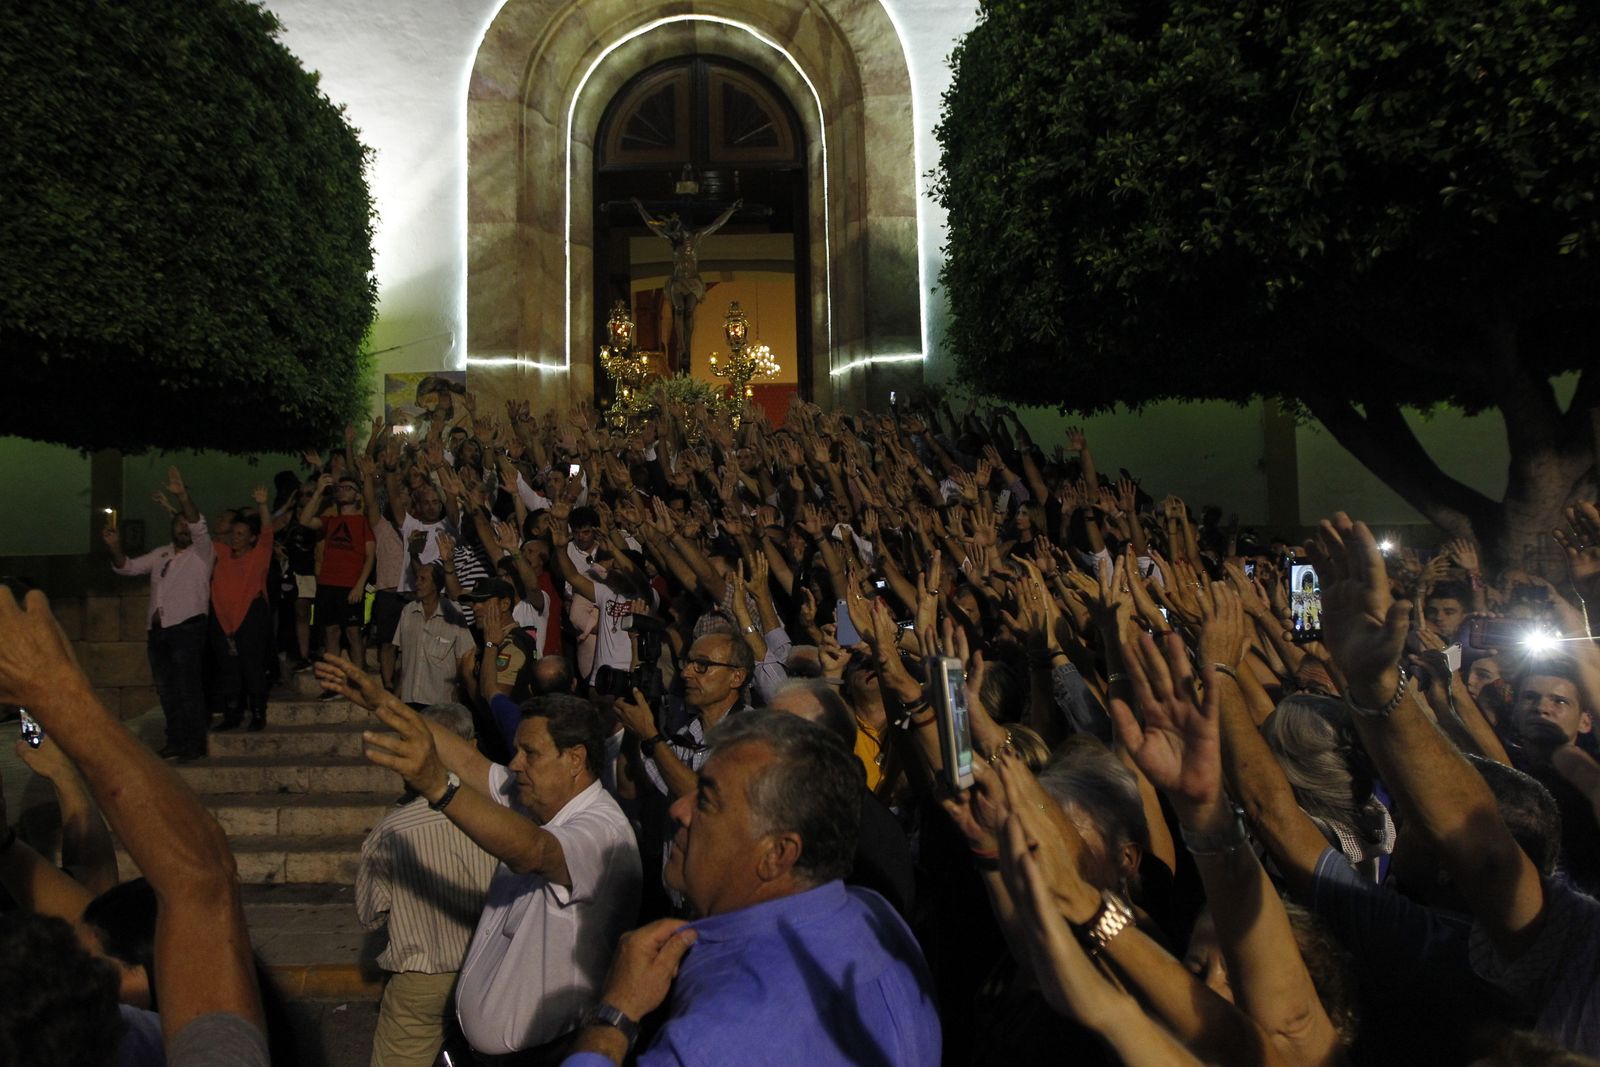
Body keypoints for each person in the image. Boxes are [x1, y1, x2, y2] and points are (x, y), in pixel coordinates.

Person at [561, 710, 940, 1066]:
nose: (679, 809)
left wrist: (614, 1015)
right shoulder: (871, 911)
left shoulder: (719, 1037)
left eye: (706, 800)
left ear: (777, 853)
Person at [320, 654, 642, 1066]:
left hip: (545, 1055)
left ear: (575, 758)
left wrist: (439, 788)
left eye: (530, 753)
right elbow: (470, 762)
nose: (515, 764)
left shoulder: (602, 831)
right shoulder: (535, 796)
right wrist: (383, 702)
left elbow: (535, 851)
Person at [0, 583, 269, 1064]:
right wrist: (57, 699)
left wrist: (56, 699)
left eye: (94, 967)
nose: (89, 971)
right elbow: (198, 886)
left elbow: (180, 888)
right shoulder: (147, 1039)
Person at [357, 702, 499, 1067]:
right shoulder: (506, 819)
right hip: (492, 971)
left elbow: (370, 914)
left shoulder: (392, 830)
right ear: (473, 745)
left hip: (424, 979)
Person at [104, 466, 213, 761]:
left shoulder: (202, 554)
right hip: (159, 632)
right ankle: (175, 741)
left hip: (187, 629)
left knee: (187, 687)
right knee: (166, 691)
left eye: (185, 524)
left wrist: (182, 497)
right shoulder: (161, 554)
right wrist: (115, 548)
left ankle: (194, 743)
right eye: (177, 525)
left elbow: (198, 522)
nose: (182, 528)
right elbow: (126, 567)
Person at [300, 473, 377, 691]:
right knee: (331, 632)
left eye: (348, 487)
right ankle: (333, 684)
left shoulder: (363, 523)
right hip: (327, 584)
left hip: (350, 585)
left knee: (353, 633)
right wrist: (318, 492)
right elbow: (304, 520)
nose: (342, 490)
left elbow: (370, 556)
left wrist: (360, 584)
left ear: (357, 495)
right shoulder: (330, 520)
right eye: (340, 487)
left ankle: (360, 683)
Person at [209, 487, 275, 732]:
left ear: (251, 538)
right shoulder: (221, 553)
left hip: (250, 616)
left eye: (241, 534)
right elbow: (197, 536)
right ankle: (232, 714)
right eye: (234, 533)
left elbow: (267, 533)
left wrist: (263, 505)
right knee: (229, 669)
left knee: (252, 666)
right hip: (224, 620)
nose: (235, 537)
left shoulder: (258, 556)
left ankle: (258, 713)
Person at [392, 561, 476, 710]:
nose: (417, 583)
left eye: (423, 579)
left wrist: (458, 687)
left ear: (436, 584)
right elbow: (402, 654)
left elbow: (463, 655)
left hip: (440, 700)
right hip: (410, 696)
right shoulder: (408, 611)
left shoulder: (453, 612)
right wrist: (399, 688)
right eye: (417, 578)